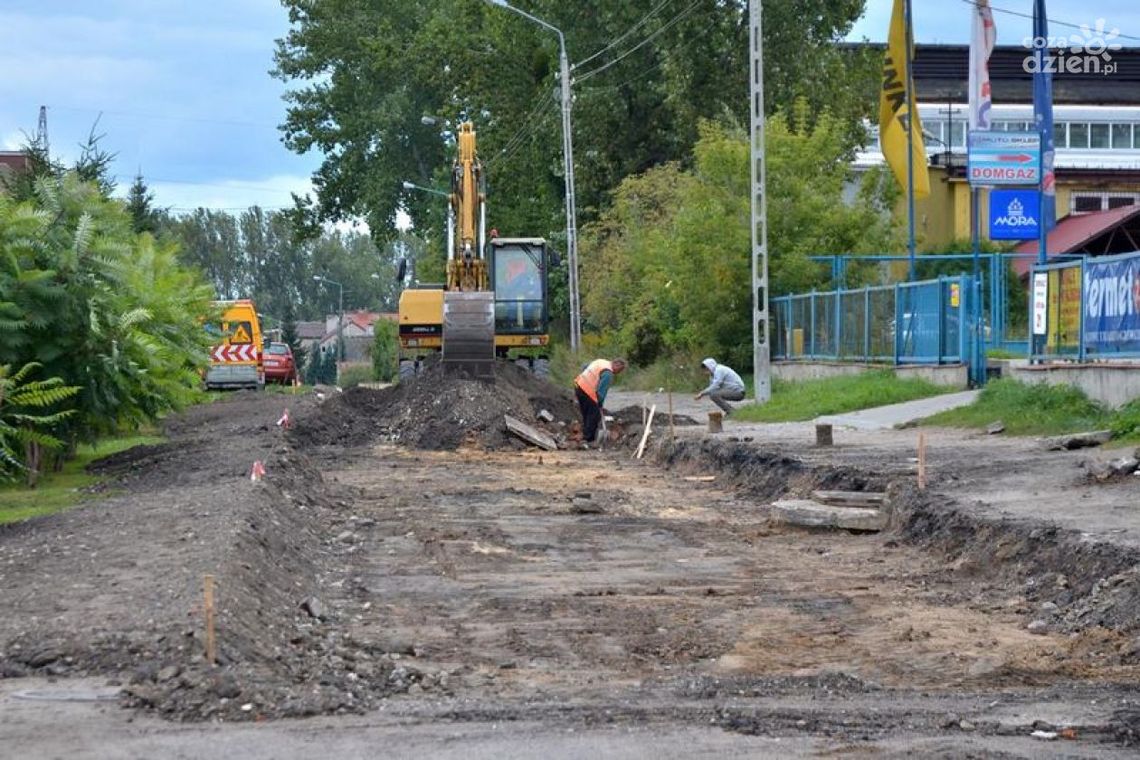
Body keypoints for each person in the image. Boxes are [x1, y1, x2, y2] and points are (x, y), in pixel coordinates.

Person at [573, 358, 626, 445]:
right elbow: (601, 392)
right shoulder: (608, 373)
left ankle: (585, 432)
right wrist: (599, 403)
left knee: (586, 412)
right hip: (587, 390)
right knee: (594, 414)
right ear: (617, 365)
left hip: (579, 385)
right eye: (619, 370)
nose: (618, 373)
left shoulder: (601, 362)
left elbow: (585, 367)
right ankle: (588, 438)